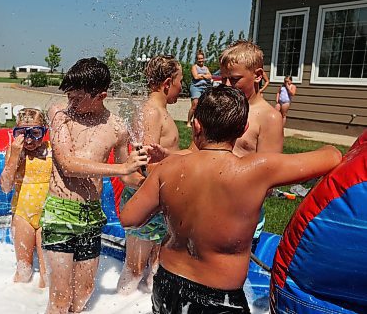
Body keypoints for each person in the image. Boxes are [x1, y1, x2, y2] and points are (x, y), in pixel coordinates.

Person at [120, 85, 342, 314]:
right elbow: (332, 156)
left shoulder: (168, 167)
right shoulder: (258, 170)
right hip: (217, 298)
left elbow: (129, 217)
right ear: (244, 128)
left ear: (196, 125)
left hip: (167, 284)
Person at [41, 57, 149, 314]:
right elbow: (67, 164)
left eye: (78, 98)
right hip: (59, 211)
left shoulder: (117, 127)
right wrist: (121, 168)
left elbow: (127, 177)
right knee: (60, 297)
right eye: (70, 96)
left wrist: (148, 172)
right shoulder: (59, 114)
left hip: (91, 214)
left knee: (85, 291)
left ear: (101, 95)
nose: (71, 103)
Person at [117, 55, 183, 295]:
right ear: (167, 83)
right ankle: (117, 307)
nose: (181, 87)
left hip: (157, 200)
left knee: (155, 268)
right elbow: (145, 164)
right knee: (134, 268)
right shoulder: (152, 113)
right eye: (179, 81)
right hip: (146, 198)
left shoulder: (159, 111)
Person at [219, 40, 284, 253]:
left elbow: (269, 178)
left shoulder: (269, 118)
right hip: (212, 205)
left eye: (234, 79)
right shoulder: (223, 108)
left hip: (243, 217)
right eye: (224, 79)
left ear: (257, 75)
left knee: (233, 278)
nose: (227, 85)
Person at [0, 108, 51, 287]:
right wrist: (14, 155)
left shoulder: (52, 151)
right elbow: (5, 187)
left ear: (45, 130)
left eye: (36, 133)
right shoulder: (15, 152)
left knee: (48, 274)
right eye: (22, 133)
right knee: (24, 270)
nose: (29, 139)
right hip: (22, 216)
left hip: (49, 215)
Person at [187, 51, 211, 127]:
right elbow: (195, 77)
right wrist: (205, 75)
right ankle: (188, 122)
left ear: (204, 59)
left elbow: (210, 77)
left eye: (202, 58)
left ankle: (196, 121)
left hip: (205, 87)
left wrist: (201, 75)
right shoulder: (194, 67)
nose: (200, 60)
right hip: (196, 87)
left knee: (202, 106)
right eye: (199, 59)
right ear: (197, 60)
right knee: (195, 105)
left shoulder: (206, 68)